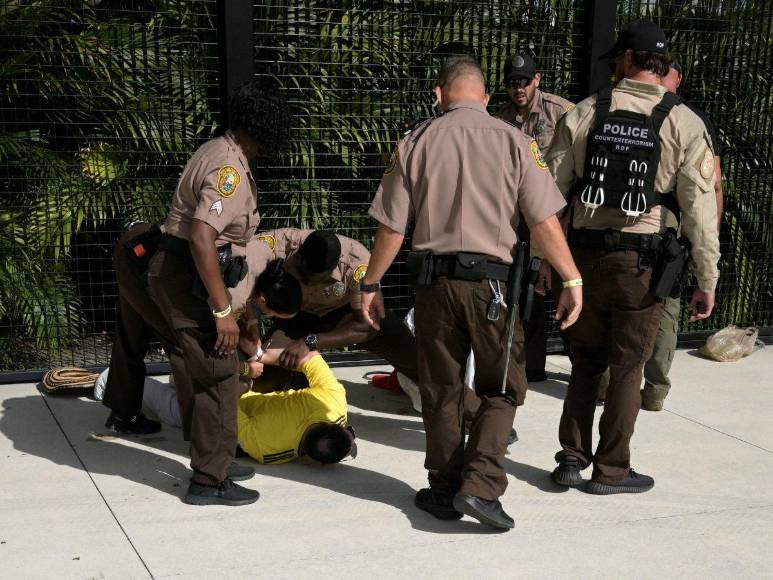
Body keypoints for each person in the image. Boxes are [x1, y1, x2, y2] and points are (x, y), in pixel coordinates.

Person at [360, 56, 582, 529]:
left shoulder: (415, 141)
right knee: (502, 387)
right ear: (484, 96)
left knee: (441, 389)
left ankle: (443, 489)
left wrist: (370, 283)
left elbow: (392, 226)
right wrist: (571, 278)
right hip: (492, 288)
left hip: (434, 287)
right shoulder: (516, 142)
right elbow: (543, 221)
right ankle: (480, 487)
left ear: (439, 94)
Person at [546, 20, 720, 494]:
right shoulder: (684, 121)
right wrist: (707, 278)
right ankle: (612, 470)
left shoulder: (584, 112)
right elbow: (701, 211)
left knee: (585, 362)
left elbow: (549, 197)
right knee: (627, 368)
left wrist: (548, 261)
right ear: (662, 64)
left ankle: (570, 458)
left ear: (627, 59)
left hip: (582, 260)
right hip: (641, 266)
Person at [103, 77, 292, 506]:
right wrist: (223, 311)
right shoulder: (229, 170)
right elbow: (202, 236)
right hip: (185, 277)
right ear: (267, 123)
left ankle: (217, 460)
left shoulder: (219, 150)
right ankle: (208, 479)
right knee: (219, 373)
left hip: (183, 275)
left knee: (216, 371)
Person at [251, 228, 418, 390]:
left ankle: (415, 384)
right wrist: (252, 326)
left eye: (316, 279)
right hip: (293, 317)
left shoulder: (358, 266)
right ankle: (299, 384)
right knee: (261, 376)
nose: (308, 282)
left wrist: (310, 342)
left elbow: (366, 327)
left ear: (334, 267)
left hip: (342, 313)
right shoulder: (279, 245)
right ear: (299, 254)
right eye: (302, 274)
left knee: (409, 353)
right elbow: (245, 278)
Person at [134, 349, 356, 465]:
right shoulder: (269, 450)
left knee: (175, 400)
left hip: (227, 400)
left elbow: (309, 356)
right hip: (232, 402)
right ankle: (178, 380)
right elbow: (228, 412)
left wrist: (255, 359)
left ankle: (120, 382)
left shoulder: (333, 404)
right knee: (164, 396)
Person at [498, 52, 576, 382]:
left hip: (557, 218)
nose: (519, 89)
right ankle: (531, 368)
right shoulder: (501, 119)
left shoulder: (562, 112)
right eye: (512, 83)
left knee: (564, 288)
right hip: (520, 221)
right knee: (525, 291)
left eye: (525, 82)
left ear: (537, 80)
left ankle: (584, 368)